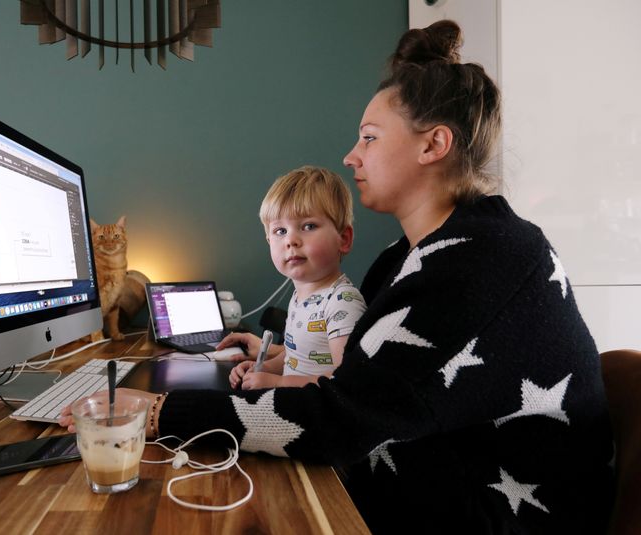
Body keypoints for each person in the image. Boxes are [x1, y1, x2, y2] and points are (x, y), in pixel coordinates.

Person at [62, 20, 615, 533]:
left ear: (433, 144)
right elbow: (361, 382)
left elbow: (340, 416)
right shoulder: (412, 255)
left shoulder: (485, 256)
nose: (352, 156)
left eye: (370, 137)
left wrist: (159, 410)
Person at [223, 166, 366, 390]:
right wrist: (264, 368)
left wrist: (278, 382)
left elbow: (345, 383)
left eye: (308, 226)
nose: (291, 240)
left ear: (344, 239)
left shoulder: (342, 303)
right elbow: (294, 356)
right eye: (280, 231)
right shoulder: (301, 297)